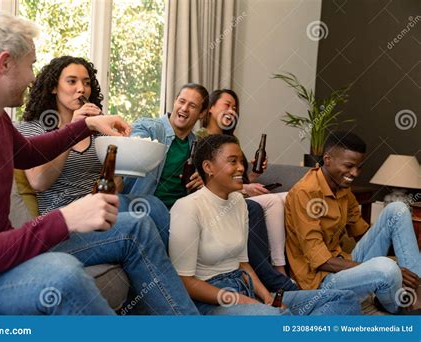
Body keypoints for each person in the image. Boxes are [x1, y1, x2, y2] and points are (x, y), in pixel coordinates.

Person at [0, 9, 198, 315]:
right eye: (31, 66)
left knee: (137, 227)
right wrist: (64, 219)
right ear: (4, 63)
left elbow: (28, 152)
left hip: (4, 253)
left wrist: (86, 125)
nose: (33, 78)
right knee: (61, 274)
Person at [169, 134, 361, 315]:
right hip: (213, 301)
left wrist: (267, 298)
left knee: (344, 299)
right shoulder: (187, 207)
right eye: (232, 161)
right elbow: (184, 282)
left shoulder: (238, 202)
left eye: (241, 161)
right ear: (208, 167)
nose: (242, 168)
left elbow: (243, 263)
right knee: (279, 319)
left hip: (245, 288)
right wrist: (245, 301)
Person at [17, 56, 169, 245]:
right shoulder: (34, 128)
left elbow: (116, 185)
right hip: (66, 218)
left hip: (99, 209)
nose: (81, 88)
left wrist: (120, 150)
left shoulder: (98, 132)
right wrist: (73, 129)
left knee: (155, 207)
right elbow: (39, 182)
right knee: (141, 222)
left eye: (86, 83)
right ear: (53, 87)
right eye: (72, 81)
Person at [285, 131, 421, 313]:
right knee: (387, 268)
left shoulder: (342, 187)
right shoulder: (305, 193)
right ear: (327, 159)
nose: (355, 173)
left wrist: (396, 243)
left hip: (344, 264)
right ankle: (401, 305)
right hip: (321, 280)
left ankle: (415, 293)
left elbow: (362, 233)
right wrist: (394, 269)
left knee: (397, 209)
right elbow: (320, 261)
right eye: (349, 166)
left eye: (359, 167)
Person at [198, 89, 296, 291]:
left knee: (289, 197)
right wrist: (245, 188)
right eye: (226, 105)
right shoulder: (200, 139)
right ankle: (278, 272)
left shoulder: (232, 142)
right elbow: (213, 184)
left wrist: (252, 178)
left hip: (236, 192)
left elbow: (237, 179)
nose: (231, 110)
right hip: (223, 199)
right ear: (210, 108)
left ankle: (292, 268)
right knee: (271, 202)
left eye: (235, 107)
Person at [122, 83, 207, 209]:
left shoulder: (198, 146)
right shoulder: (147, 128)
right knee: (155, 205)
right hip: (143, 206)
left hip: (180, 210)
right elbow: (128, 151)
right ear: (174, 102)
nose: (184, 108)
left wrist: (203, 179)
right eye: (181, 101)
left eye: (192, 106)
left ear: (202, 113)